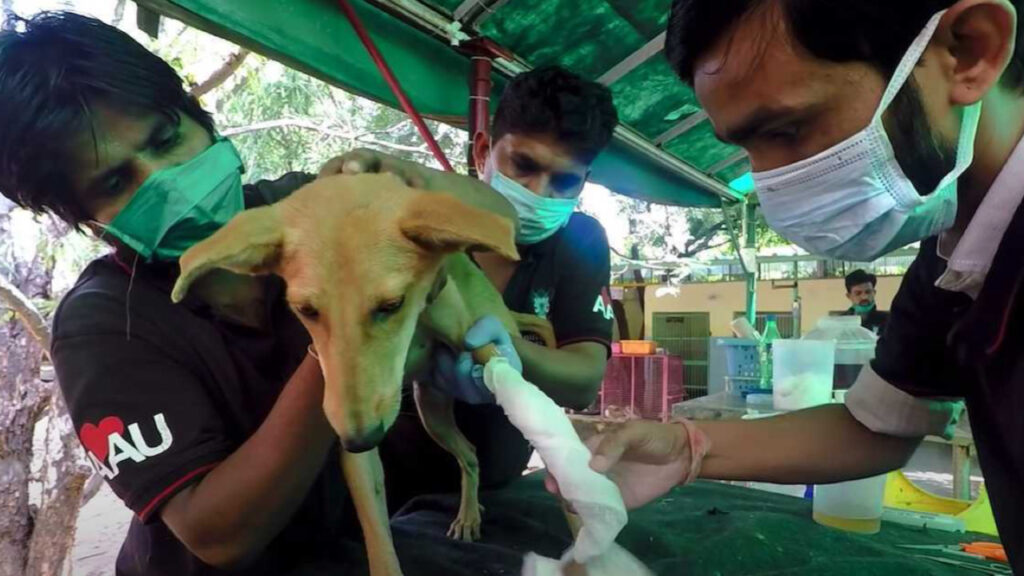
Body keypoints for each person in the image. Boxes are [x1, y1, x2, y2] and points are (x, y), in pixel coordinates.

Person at [0, 12, 519, 575]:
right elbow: (217, 536)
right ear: (90, 222)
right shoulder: (102, 327)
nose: (166, 180)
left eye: (166, 137)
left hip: (347, 548)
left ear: (202, 120)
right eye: (115, 182)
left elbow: (497, 220)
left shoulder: (306, 207)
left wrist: (402, 179)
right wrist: (347, 333)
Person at [549, 1, 1024, 572]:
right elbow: (876, 425)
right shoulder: (952, 262)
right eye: (747, 149)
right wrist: (682, 447)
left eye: (786, 130)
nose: (772, 187)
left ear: (970, 51)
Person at [378, 65, 618, 508]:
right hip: (387, 482)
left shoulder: (580, 242)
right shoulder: (417, 227)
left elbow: (584, 379)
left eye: (564, 181)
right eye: (523, 165)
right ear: (483, 150)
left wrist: (510, 350)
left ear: (584, 182)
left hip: (500, 493)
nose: (538, 192)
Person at [841, 269, 890, 334]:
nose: (864, 297)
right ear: (849, 296)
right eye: (858, 293)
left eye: (868, 292)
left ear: (874, 293)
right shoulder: (842, 322)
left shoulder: (889, 321)